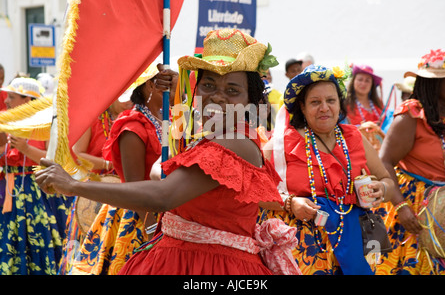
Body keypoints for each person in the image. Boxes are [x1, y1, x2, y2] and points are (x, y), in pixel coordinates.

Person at [35, 28, 300, 275]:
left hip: (209, 267)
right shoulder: (214, 131)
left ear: (250, 102)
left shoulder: (235, 143)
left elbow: (163, 195)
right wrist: (179, 91)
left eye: (232, 90)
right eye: (208, 85)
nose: (218, 97)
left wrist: (73, 185)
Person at [258, 65, 395, 275]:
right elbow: (254, 193)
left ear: (340, 104)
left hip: (356, 241)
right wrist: (290, 203)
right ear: (302, 107)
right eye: (315, 102)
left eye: (331, 100)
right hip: (304, 250)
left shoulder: (355, 138)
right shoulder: (280, 146)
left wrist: (381, 189)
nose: (324, 108)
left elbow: (387, 179)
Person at [67, 64, 176, 275]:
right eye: (162, 83)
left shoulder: (167, 119)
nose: (169, 88)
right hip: (140, 216)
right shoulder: (132, 127)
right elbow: (134, 185)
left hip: (166, 211)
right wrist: (151, 227)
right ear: (148, 87)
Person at [375, 49, 445, 275]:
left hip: (444, 208)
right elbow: (384, 162)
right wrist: (401, 206)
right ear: (433, 86)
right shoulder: (411, 117)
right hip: (414, 208)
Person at [0, 77, 72, 275]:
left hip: (39, 189)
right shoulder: (5, 120)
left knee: (42, 236)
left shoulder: (46, 123)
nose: (6, 101)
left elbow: (52, 159)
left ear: (27, 100)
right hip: (8, 189)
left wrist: (24, 148)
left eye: (12, 97)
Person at [58, 97, 131, 274]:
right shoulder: (93, 119)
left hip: (124, 192)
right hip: (93, 192)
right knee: (88, 242)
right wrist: (109, 164)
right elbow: (78, 154)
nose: (130, 101)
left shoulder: (133, 118)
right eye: (125, 97)